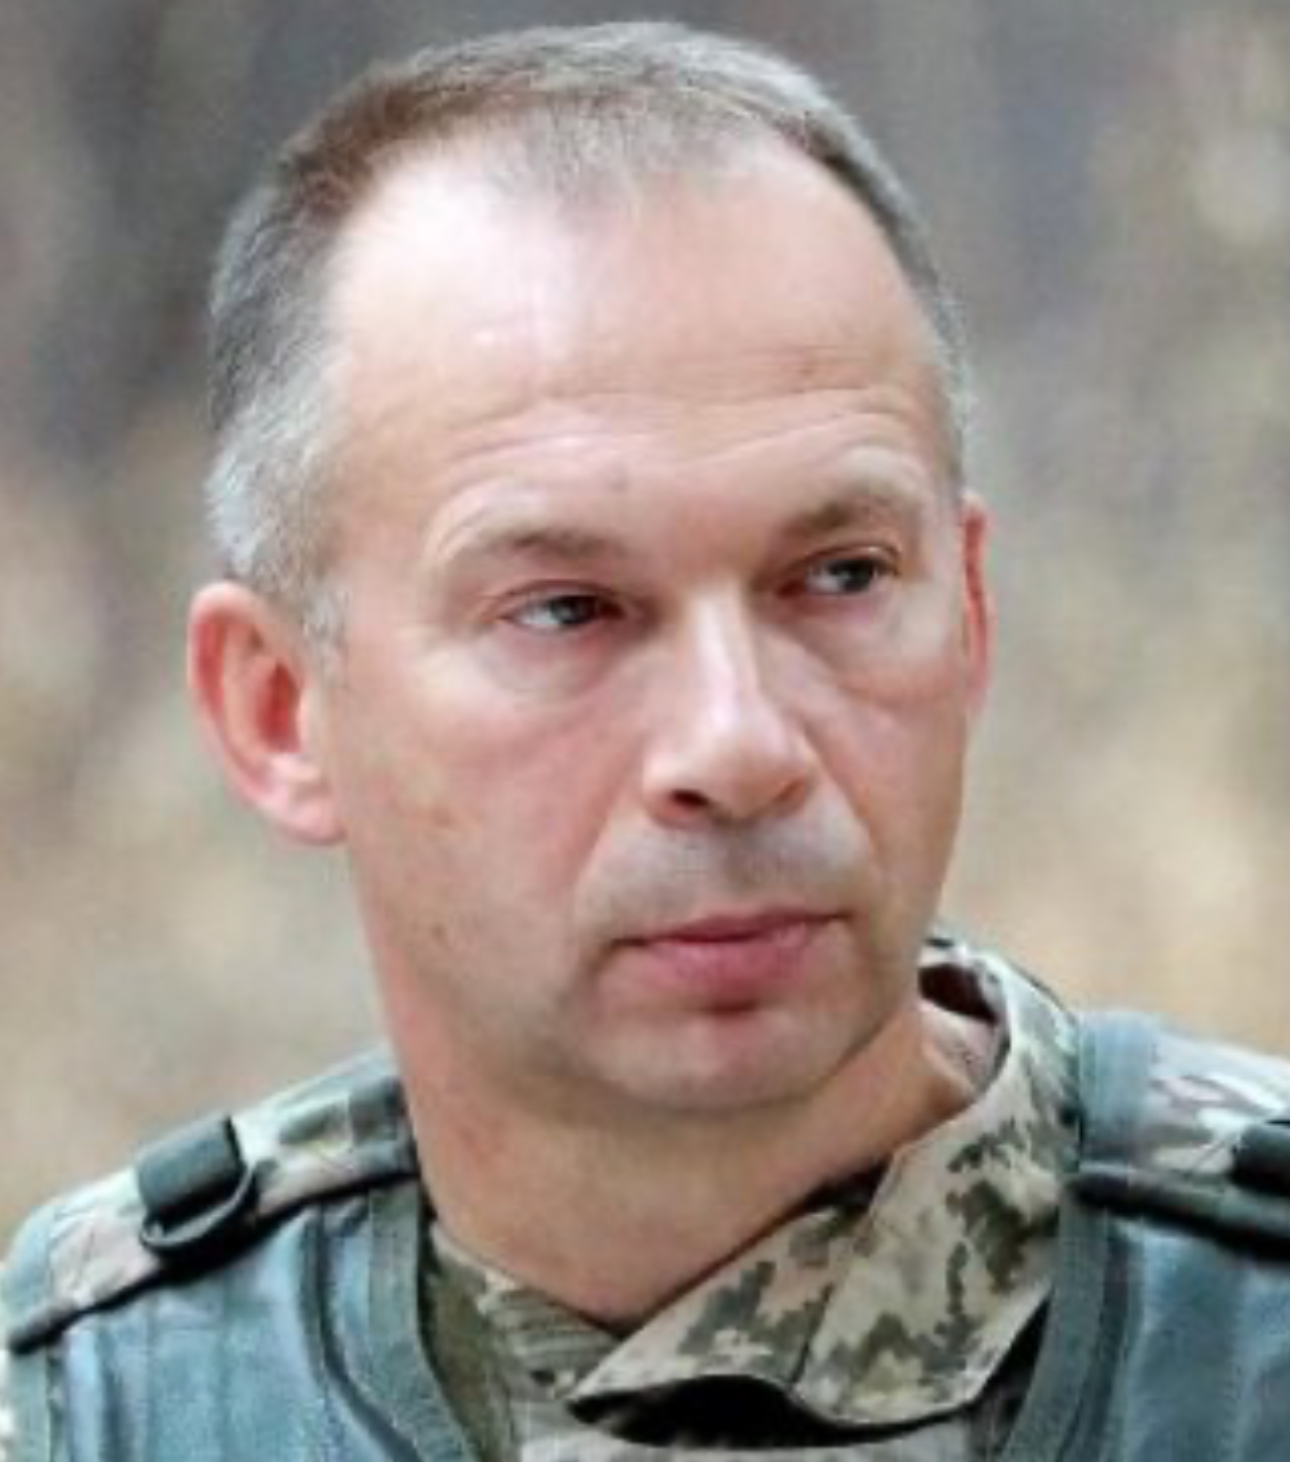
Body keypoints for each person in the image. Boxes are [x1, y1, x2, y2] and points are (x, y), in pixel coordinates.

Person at [5, 21, 1290, 1461]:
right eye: (567, 610)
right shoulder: (102, 1413)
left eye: (841, 576)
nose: (737, 745)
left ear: (970, 612)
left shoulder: (1245, 1336)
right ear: (277, 711)